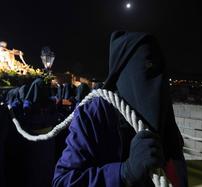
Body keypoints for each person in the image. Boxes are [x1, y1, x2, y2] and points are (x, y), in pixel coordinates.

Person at [53, 32, 187, 187]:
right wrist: (124, 173)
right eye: (147, 67)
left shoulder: (165, 117)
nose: (156, 82)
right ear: (125, 70)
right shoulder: (94, 113)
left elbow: (178, 171)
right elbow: (63, 181)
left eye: (159, 70)